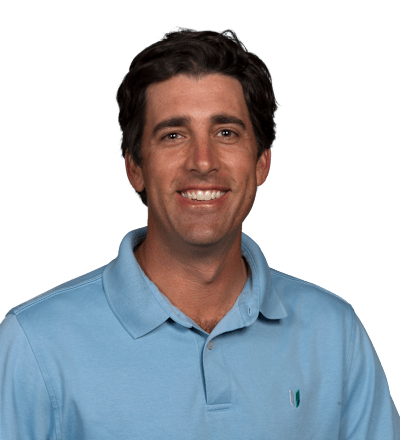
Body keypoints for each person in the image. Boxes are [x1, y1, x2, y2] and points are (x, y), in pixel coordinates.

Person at [0, 27, 399, 440]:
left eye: (226, 133)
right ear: (134, 167)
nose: (203, 162)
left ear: (262, 163)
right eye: (173, 135)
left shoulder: (335, 334)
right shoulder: (34, 344)